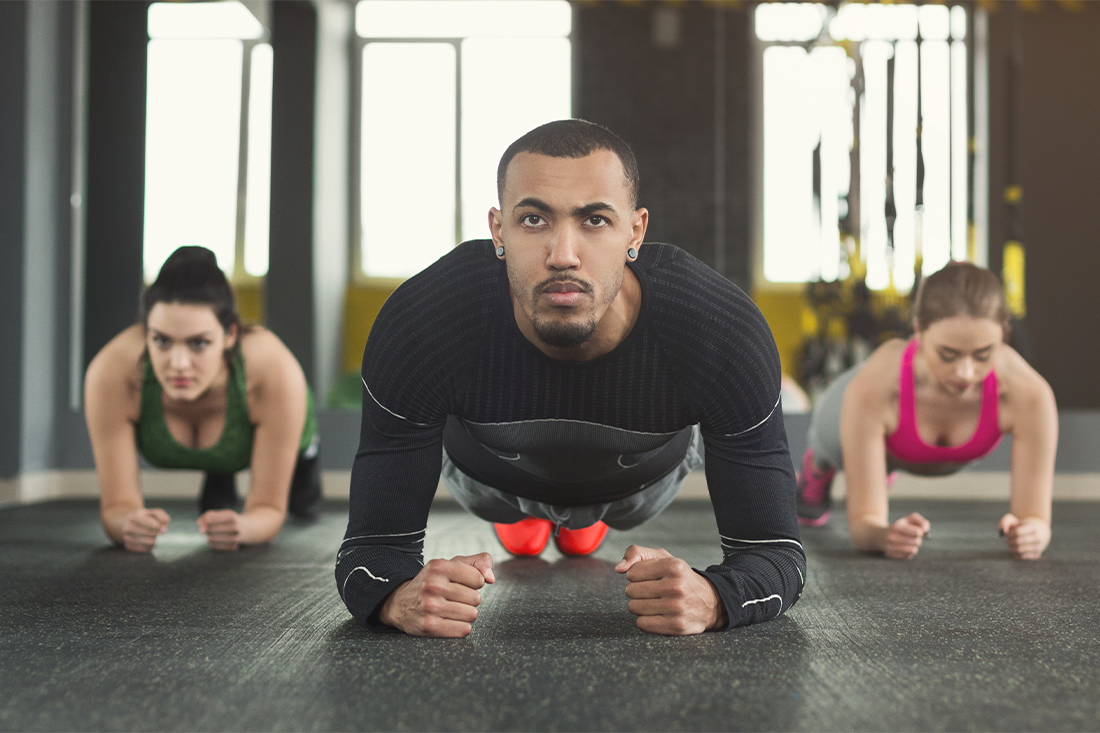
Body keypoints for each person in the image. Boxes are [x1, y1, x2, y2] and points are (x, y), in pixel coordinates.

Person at [336, 119, 805, 638]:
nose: (563, 254)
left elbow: (776, 554)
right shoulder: (423, 320)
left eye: (595, 220)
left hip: (637, 486)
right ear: (497, 231)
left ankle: (581, 525)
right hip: (490, 480)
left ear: (636, 231)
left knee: (589, 528)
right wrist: (395, 599)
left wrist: (717, 598)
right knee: (520, 526)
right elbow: (370, 554)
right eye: (534, 219)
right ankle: (536, 521)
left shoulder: (722, 329)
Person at [796, 261, 1058, 560]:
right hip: (850, 413)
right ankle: (816, 466)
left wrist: (1032, 533)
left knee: (876, 463)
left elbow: (1037, 519)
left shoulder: (1030, 395)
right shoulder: (876, 386)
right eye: (948, 354)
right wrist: (884, 535)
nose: (966, 372)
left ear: (1004, 334)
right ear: (918, 330)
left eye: (984, 354)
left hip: (904, 438)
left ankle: (879, 467)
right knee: (832, 446)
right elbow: (863, 527)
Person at [85, 246, 322, 553]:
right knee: (218, 495)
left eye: (199, 343)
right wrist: (129, 523)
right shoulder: (112, 371)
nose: (178, 364)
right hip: (223, 433)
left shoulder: (273, 370)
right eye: (161, 341)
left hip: (263, 428)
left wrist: (245, 527)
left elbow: (268, 509)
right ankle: (220, 470)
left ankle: (298, 456)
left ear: (230, 335)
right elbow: (116, 507)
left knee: (304, 503)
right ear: (145, 334)